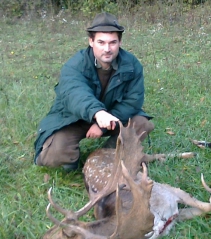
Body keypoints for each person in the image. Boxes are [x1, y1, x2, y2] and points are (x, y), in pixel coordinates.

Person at [34, 12, 154, 170]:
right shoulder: (75, 65)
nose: (107, 49)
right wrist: (97, 113)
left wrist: (102, 125)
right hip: (74, 118)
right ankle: (71, 161)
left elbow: (133, 101)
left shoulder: (132, 65)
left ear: (120, 42)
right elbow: (75, 94)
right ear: (91, 41)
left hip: (110, 117)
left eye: (113, 43)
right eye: (101, 42)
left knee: (141, 124)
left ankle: (106, 155)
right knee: (54, 157)